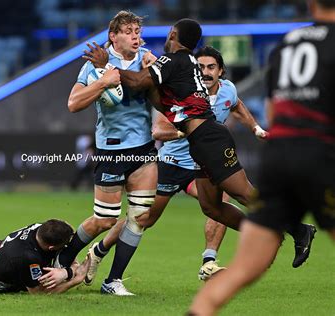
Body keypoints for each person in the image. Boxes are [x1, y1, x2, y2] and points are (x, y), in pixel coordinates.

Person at [83, 18, 316, 273]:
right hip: (200, 142)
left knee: (244, 193)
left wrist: (107, 66)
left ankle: (298, 228)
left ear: (172, 34)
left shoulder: (173, 61)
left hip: (209, 138)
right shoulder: (189, 64)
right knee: (212, 207)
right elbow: (163, 103)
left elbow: (139, 82)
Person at [189, 0, 335, 314]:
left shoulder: (288, 43)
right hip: (319, 154)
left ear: (311, 4)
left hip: (279, 157)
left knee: (244, 268)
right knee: (218, 203)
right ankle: (295, 228)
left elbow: (272, 108)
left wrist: (256, 128)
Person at [84, 46, 269, 284]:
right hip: (172, 164)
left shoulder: (228, 90)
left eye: (211, 67)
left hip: (200, 165)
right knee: (144, 218)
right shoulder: (181, 91)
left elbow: (238, 107)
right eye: (200, 66)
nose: (205, 72)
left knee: (219, 203)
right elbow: (158, 130)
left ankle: (209, 262)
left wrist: (256, 128)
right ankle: (99, 251)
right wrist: (191, 131)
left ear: (221, 71)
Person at [59, 10, 157, 296]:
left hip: (143, 149)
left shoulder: (148, 60)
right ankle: (65, 258)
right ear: (113, 36)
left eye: (137, 30)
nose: (135, 35)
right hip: (112, 150)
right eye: (128, 30)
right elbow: (73, 103)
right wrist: (102, 81)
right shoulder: (97, 65)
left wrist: (156, 73)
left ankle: (113, 280)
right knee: (105, 219)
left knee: (140, 216)